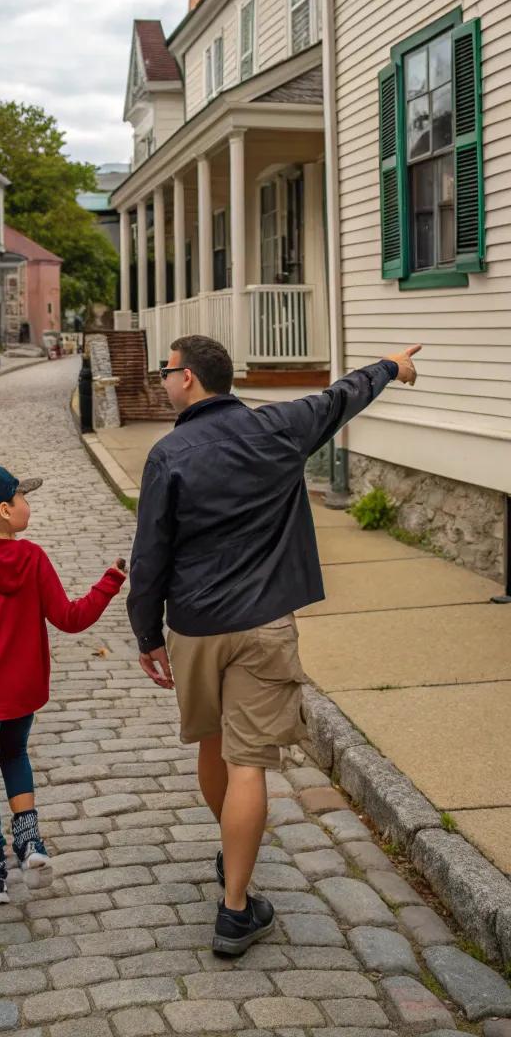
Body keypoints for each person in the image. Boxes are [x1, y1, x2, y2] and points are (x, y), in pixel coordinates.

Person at [128, 334, 420, 957]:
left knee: (213, 742)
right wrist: (392, 366)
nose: (161, 380)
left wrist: (147, 632)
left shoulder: (169, 453)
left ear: (190, 379)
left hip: (197, 626)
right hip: (264, 624)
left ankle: (235, 881)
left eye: (166, 371)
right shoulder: (281, 428)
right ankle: (235, 906)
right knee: (249, 762)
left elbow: (149, 553)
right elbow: (345, 397)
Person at [0, 465, 127, 904]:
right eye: (22, 498)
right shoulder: (33, 558)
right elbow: (71, 618)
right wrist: (109, 582)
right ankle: (30, 843)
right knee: (15, 754)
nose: (27, 505)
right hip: (23, 692)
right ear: (4, 510)